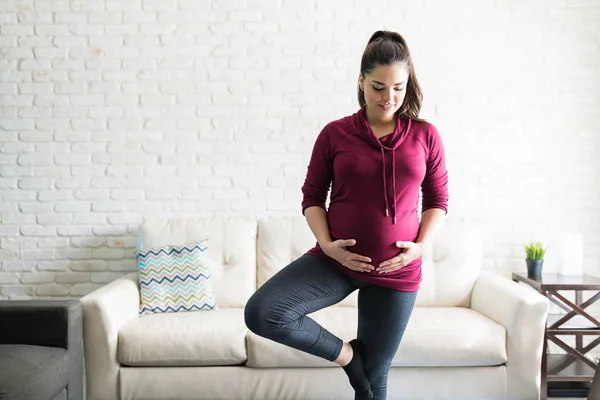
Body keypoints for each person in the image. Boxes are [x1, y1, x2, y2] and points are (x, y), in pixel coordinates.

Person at [244, 30, 449, 400]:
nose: (389, 98)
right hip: (336, 262)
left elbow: (438, 199)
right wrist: (327, 245)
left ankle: (363, 367)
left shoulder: (425, 135)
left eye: (398, 88)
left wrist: (420, 246)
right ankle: (348, 357)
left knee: (375, 378)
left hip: (397, 271)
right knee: (263, 312)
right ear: (361, 82)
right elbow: (311, 198)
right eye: (378, 87)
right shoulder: (335, 134)